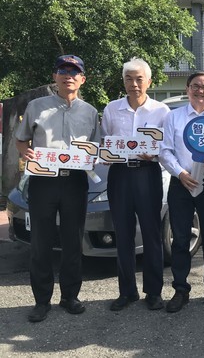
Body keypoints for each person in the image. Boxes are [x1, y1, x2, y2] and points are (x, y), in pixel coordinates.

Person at [15, 55, 100, 322]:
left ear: (82, 79)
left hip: (75, 181)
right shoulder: (36, 107)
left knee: (73, 239)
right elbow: (21, 140)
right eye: (63, 70)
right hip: (43, 181)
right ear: (55, 77)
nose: (68, 76)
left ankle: (70, 296)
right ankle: (42, 301)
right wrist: (26, 155)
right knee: (41, 240)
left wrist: (93, 158)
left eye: (75, 72)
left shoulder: (90, 112)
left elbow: (95, 148)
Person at [159, 71, 204, 312]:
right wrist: (180, 173)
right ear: (187, 89)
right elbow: (165, 150)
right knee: (180, 239)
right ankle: (181, 289)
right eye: (195, 86)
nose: (200, 91)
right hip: (181, 182)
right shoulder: (174, 117)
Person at [101, 58, 170, 311]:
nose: (134, 83)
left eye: (139, 78)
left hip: (147, 174)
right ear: (123, 81)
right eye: (129, 78)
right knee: (124, 233)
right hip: (120, 175)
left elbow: (166, 145)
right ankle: (126, 291)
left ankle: (154, 292)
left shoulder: (161, 111)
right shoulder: (111, 109)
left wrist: (155, 153)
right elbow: (107, 140)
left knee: (152, 233)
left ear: (149, 81)